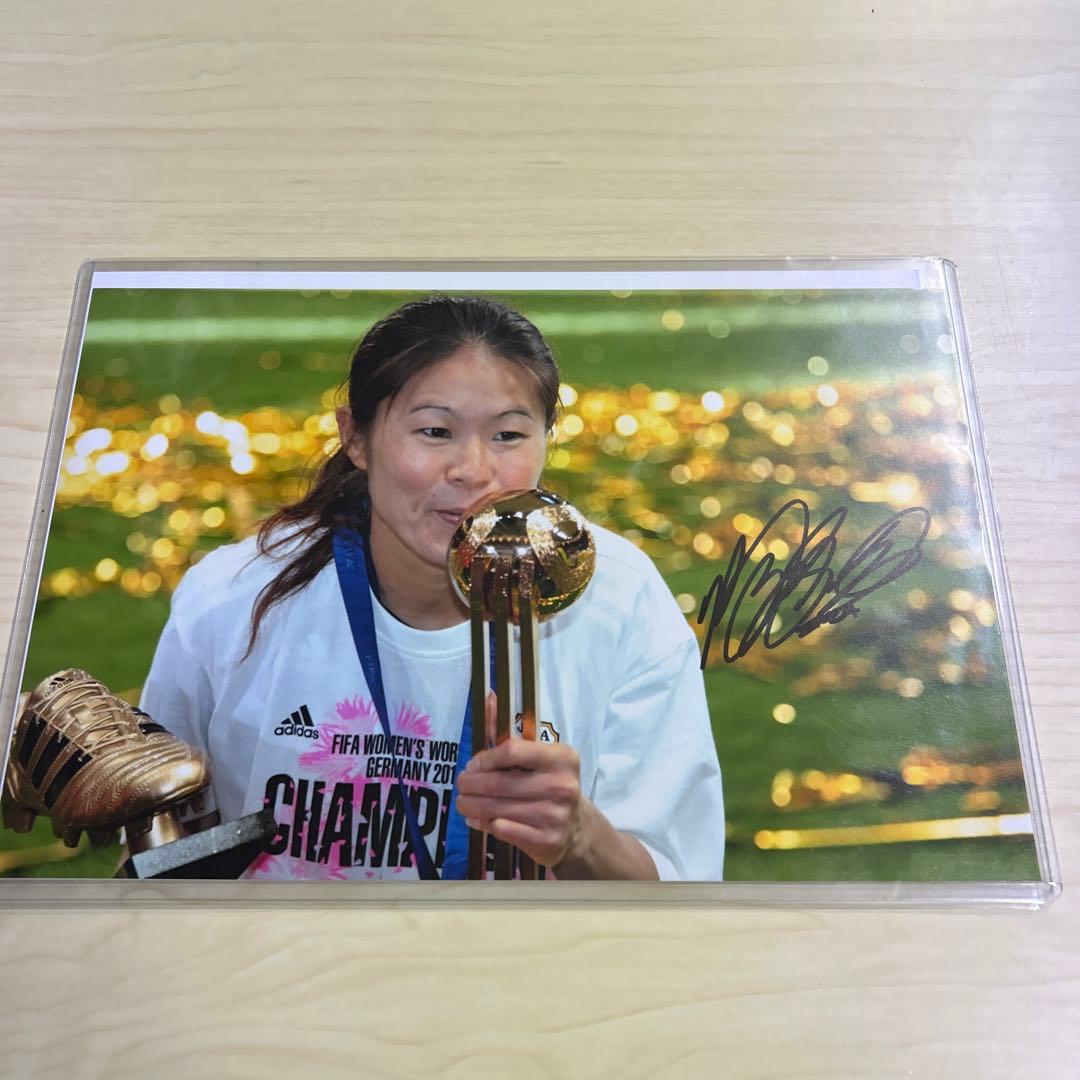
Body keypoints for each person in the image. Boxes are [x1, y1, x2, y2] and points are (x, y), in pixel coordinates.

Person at [140, 294, 725, 881]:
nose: (473, 470)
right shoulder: (233, 599)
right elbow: (167, 860)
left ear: (547, 439)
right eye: (435, 431)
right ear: (356, 437)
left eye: (508, 435)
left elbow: (678, 895)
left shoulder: (618, 600)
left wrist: (579, 837)